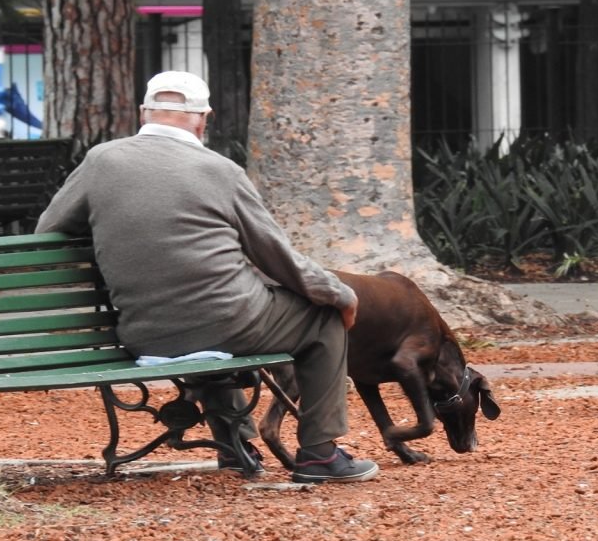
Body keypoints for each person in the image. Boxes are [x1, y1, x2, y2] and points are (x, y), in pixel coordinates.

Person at [35, 71, 379, 484]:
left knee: (212, 318)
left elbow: (47, 233)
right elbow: (277, 257)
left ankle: (234, 444)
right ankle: (320, 455)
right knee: (319, 321)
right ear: (203, 118)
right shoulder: (221, 171)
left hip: (145, 332)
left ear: (144, 113)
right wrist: (339, 294)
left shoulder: (101, 161)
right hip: (229, 322)